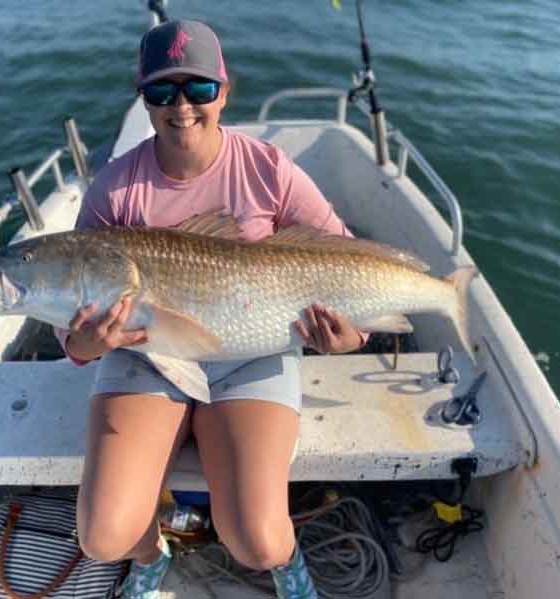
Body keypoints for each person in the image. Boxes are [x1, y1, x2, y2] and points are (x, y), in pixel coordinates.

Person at [55, 19, 368, 599]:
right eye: (161, 92)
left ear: (224, 92)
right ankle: (151, 556)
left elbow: (343, 256)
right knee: (103, 537)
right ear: (143, 99)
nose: (182, 107)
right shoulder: (114, 189)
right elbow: (71, 340)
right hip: (144, 355)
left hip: (250, 352)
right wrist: (92, 343)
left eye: (198, 90)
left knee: (259, 543)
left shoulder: (268, 169)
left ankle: (288, 566)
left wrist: (351, 338)